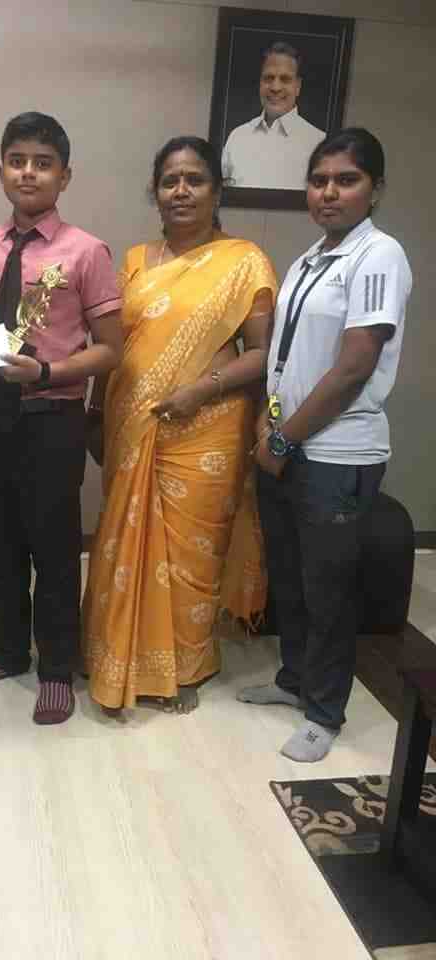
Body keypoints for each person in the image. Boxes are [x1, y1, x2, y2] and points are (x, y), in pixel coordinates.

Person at [82, 136, 278, 713]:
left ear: (217, 190)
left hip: (208, 428)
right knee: (124, 541)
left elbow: (263, 354)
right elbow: (110, 346)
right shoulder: (134, 262)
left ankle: (185, 668)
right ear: (156, 191)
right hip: (132, 424)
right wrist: (95, 411)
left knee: (193, 556)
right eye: (170, 180)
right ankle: (115, 656)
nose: (182, 190)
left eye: (195, 179)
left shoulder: (244, 261)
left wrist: (201, 390)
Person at [0, 112, 123, 724]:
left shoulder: (87, 251)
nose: (29, 172)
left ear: (64, 176)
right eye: (18, 161)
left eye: (43, 163)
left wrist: (46, 371)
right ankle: (6, 652)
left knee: (53, 549)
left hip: (52, 420)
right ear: (1, 170)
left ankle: (55, 669)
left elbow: (112, 349)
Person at [243, 128, 412, 762]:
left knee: (329, 590)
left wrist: (283, 440)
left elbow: (352, 369)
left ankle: (324, 710)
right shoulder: (312, 257)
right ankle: (295, 679)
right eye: (319, 181)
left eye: (346, 180)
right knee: (289, 578)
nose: (329, 192)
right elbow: (285, 360)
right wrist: (268, 426)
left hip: (336, 455)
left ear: (375, 189)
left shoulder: (380, 255)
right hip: (286, 444)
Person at [222, 42, 325, 190]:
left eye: (285, 79)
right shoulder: (237, 137)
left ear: (298, 86)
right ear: (260, 83)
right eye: (269, 78)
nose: (275, 87)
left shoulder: (319, 143)